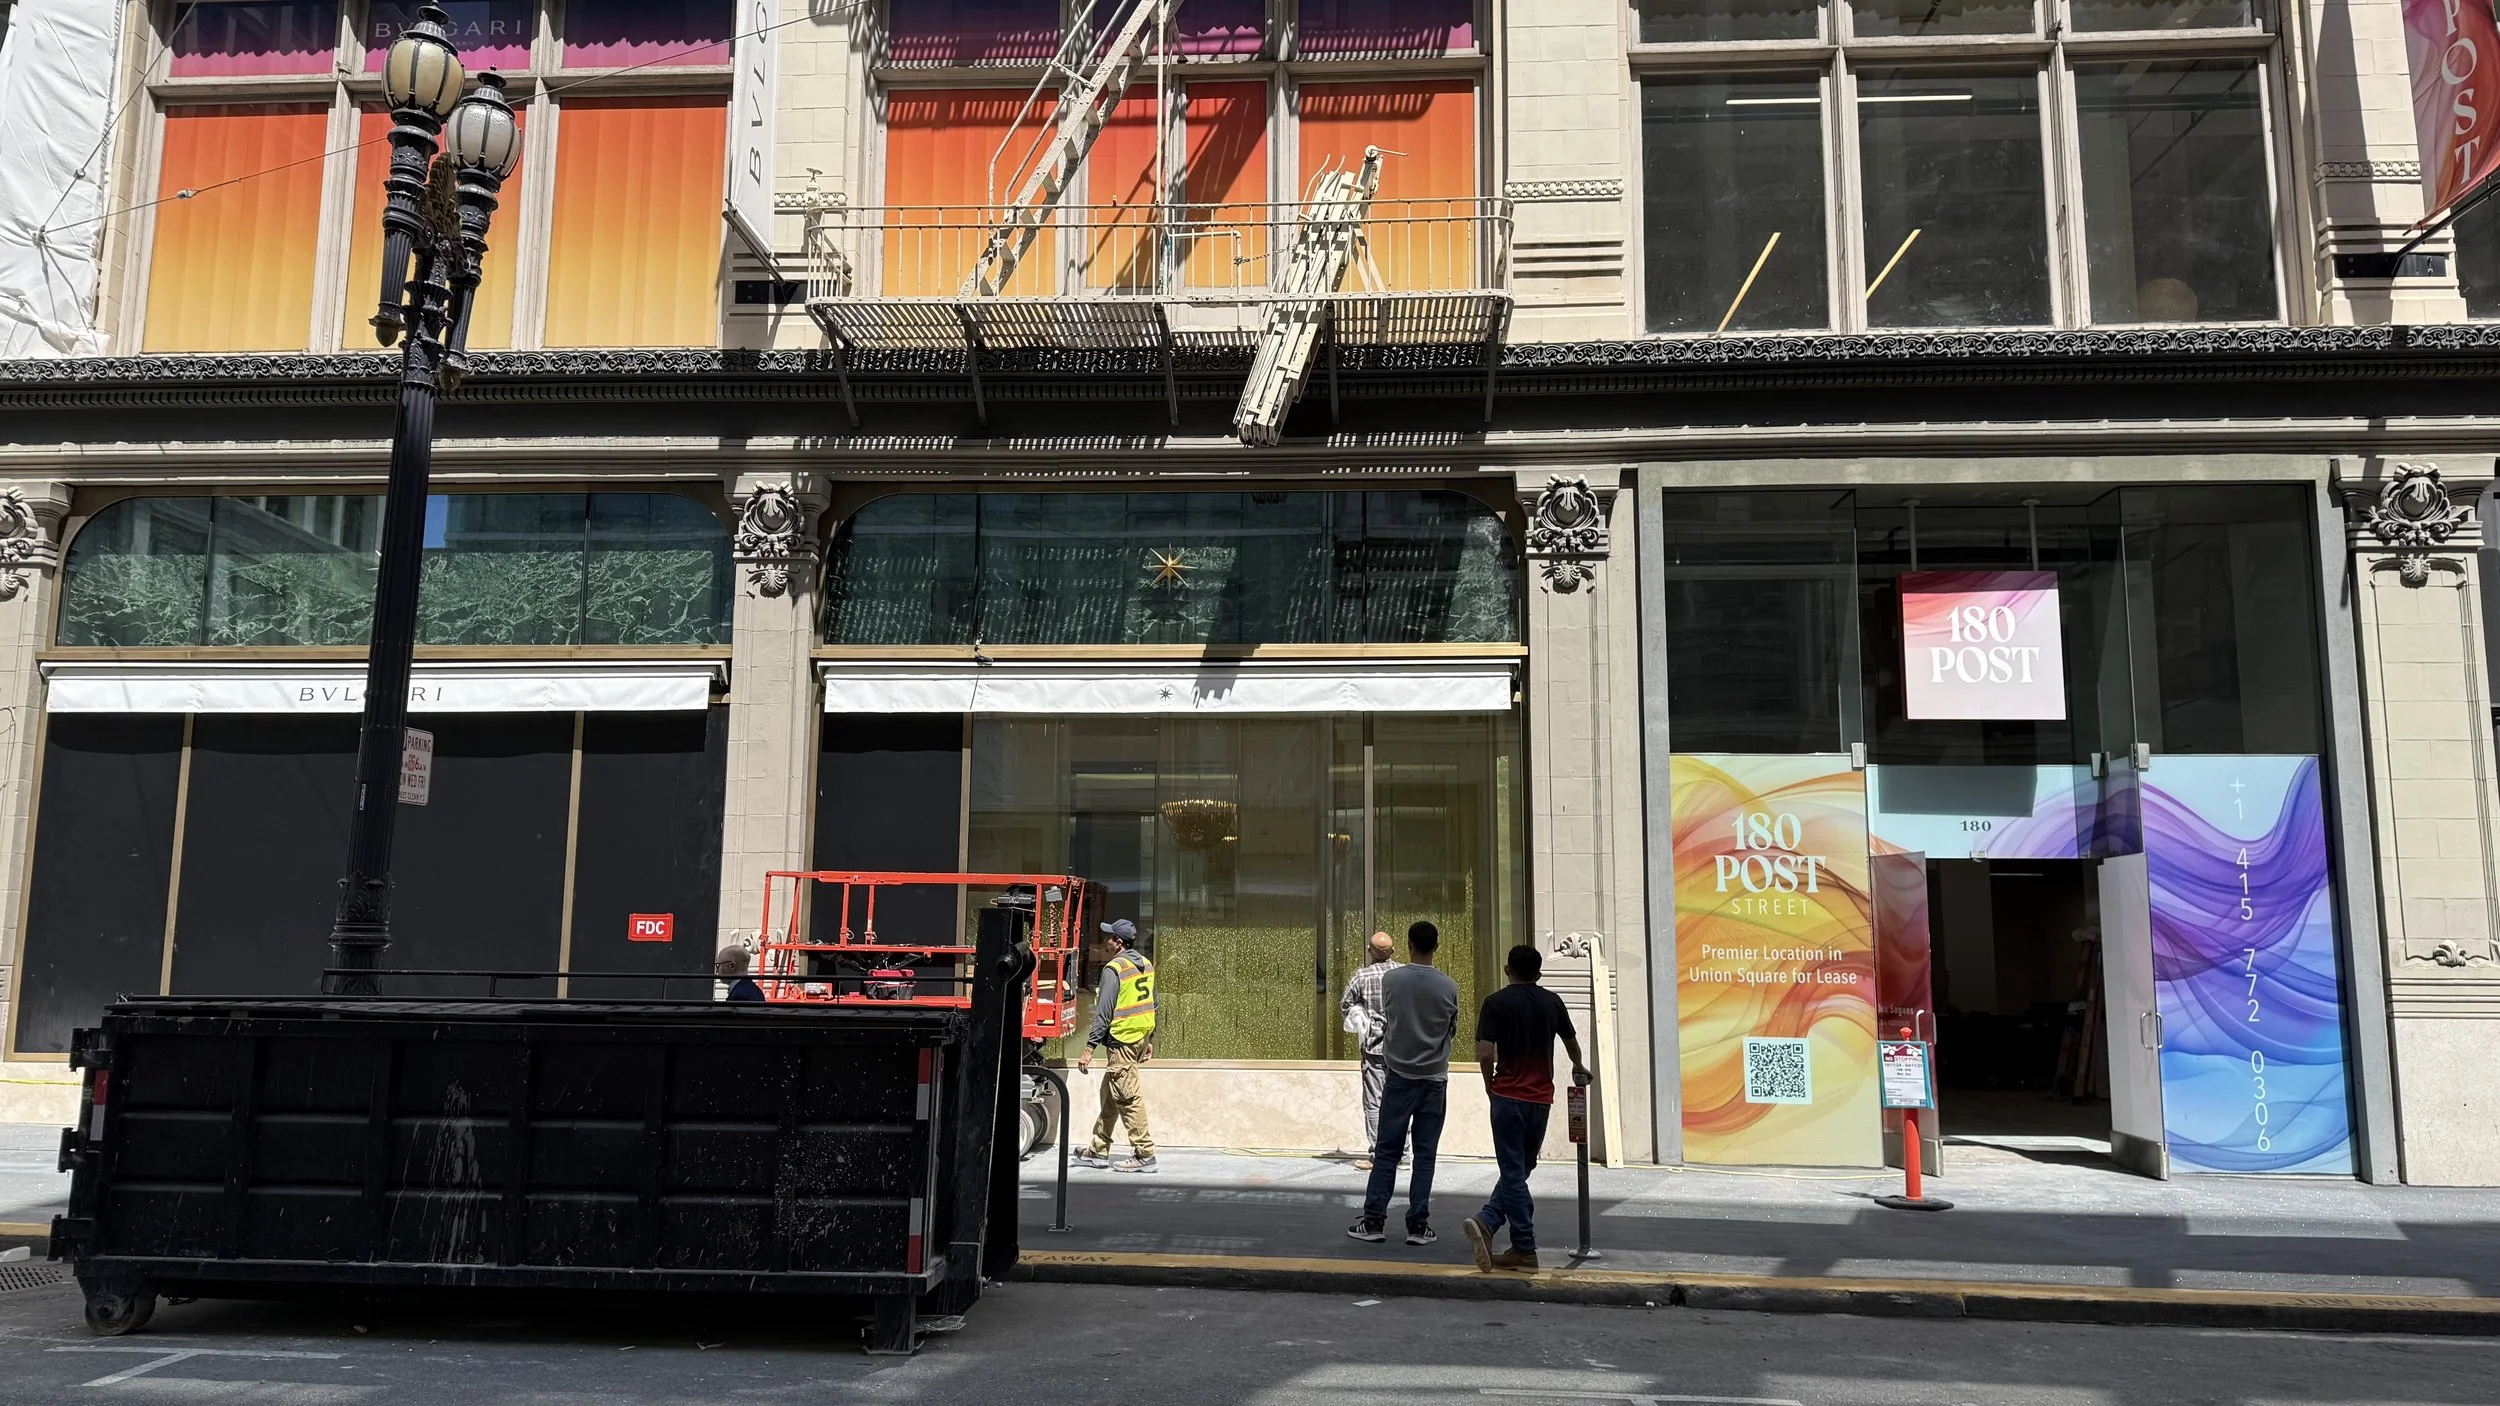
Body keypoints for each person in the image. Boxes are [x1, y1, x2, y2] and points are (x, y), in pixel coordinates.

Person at [1461, 944, 1591, 1273]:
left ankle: (1520, 1243)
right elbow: (1571, 1042)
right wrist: (1578, 1065)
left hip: (1507, 1097)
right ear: (1539, 974)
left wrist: (1490, 1085)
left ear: (1508, 969)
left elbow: (1486, 1053)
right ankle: (1490, 1224)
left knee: (1513, 1172)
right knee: (1521, 1169)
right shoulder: (1552, 1002)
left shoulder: (1495, 1003)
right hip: (1540, 1099)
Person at [1348, 920, 1458, 1247]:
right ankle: (1418, 1225)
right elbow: (1451, 1030)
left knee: (1386, 1152)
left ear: (1409, 945)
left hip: (1398, 1076)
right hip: (1435, 1079)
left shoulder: (1392, 980)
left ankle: (1374, 1221)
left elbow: (1389, 1019)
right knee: (1424, 1155)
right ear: (1436, 946)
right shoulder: (1448, 986)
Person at [1074, 918, 1158, 1174]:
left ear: (1118, 943)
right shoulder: (1146, 964)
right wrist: (1151, 1040)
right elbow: (1154, 1004)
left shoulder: (1115, 969)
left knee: (1128, 1097)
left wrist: (1089, 1049)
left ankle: (1145, 1153)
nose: (1106, 940)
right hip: (1138, 1038)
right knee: (1110, 1094)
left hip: (1122, 1040)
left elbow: (1104, 1013)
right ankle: (1098, 1150)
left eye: (1109, 937)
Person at [1338, 930, 1400, 1170]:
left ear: (1369, 951)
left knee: (1375, 1103)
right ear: (1392, 951)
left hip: (1374, 1048)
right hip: (1402, 1050)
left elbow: (1346, 1004)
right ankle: (1402, 1155)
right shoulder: (1402, 974)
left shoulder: (1361, 976)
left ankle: (1379, 1155)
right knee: (1399, 1103)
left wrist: (1361, 1015)